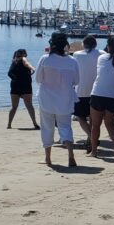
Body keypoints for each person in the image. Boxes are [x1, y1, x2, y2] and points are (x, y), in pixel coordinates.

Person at [34, 33, 80, 167]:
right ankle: (71, 156)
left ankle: (48, 158)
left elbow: (38, 79)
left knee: (47, 128)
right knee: (66, 127)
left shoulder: (45, 59)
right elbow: (76, 81)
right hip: (65, 99)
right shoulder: (72, 61)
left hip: (46, 98)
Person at [72, 35, 103, 147]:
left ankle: (91, 137)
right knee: (93, 118)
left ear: (84, 44)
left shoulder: (76, 55)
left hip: (81, 91)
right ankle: (91, 138)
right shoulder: (102, 54)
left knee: (81, 117)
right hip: (97, 91)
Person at [7, 49, 40, 129]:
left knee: (14, 107)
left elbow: (9, 73)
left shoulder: (14, 62)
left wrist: (16, 79)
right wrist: (33, 69)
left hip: (15, 86)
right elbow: (27, 64)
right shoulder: (23, 59)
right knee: (29, 106)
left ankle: (9, 124)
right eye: (25, 53)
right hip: (26, 86)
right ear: (23, 54)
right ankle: (35, 123)